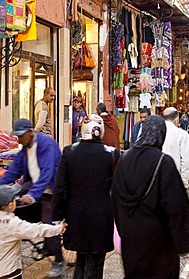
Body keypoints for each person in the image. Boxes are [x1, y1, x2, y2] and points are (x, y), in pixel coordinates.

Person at [111, 115, 189, 278]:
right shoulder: (163, 162)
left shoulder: (124, 160)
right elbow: (177, 207)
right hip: (160, 243)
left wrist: (125, 231)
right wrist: (184, 241)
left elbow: (116, 200)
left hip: (132, 242)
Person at [0, 118, 65, 278]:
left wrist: (32, 195)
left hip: (50, 190)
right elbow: (14, 170)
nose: (18, 140)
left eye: (20, 136)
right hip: (34, 185)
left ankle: (58, 260)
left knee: (49, 224)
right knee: (13, 208)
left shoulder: (46, 144)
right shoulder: (25, 148)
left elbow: (47, 173)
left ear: (29, 133)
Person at [53, 114, 120, 279]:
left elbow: (60, 188)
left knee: (81, 259)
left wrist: (57, 217)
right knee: (96, 264)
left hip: (75, 216)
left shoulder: (69, 152)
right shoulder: (112, 154)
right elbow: (118, 190)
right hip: (101, 217)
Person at [0, 183, 66, 279]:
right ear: (10, 205)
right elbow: (36, 230)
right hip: (10, 271)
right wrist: (58, 228)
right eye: (15, 199)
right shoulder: (13, 223)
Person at [161, 107, 189, 188]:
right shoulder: (182, 134)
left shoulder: (156, 132)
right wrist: (184, 182)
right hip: (175, 179)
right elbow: (187, 160)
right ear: (176, 119)